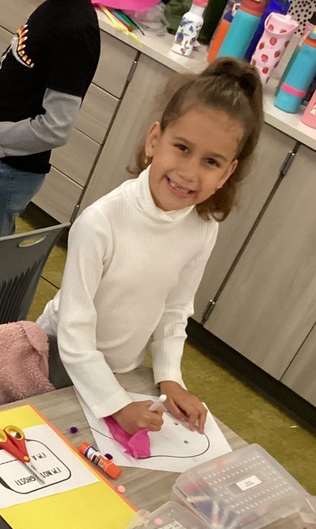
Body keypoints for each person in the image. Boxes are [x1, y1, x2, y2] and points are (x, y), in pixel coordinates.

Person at [37, 58, 264, 436]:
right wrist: (115, 404)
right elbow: (74, 331)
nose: (190, 172)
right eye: (182, 148)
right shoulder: (100, 222)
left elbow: (175, 310)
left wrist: (170, 377)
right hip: (55, 360)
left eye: (211, 162)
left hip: (122, 374)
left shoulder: (202, 227)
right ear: (154, 140)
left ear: (226, 173)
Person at [0, 0, 100, 255]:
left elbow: (55, 129)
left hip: (5, 170)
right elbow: (26, 79)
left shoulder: (76, 31)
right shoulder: (53, 8)